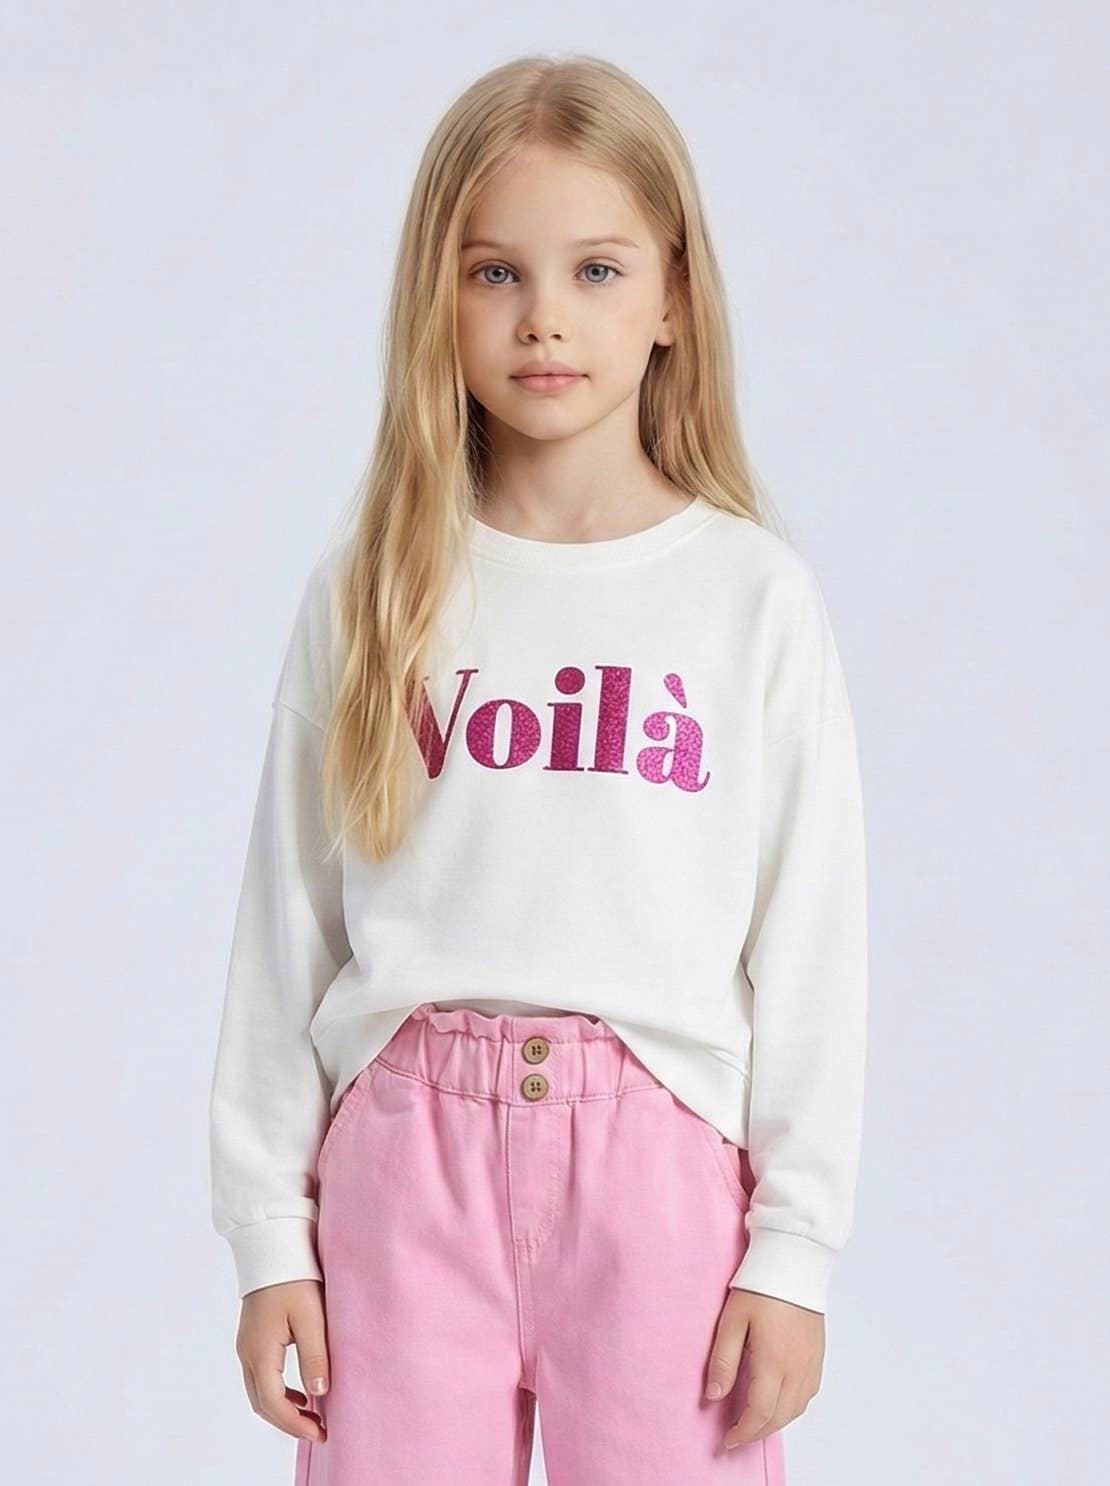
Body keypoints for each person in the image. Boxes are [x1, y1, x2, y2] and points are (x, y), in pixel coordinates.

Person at [208, 52, 869, 1486]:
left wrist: (794, 1250)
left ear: (673, 296)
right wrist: (269, 1235)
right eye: (495, 272)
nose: (544, 317)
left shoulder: (748, 597)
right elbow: (285, 928)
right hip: (403, 1168)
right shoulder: (374, 591)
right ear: (434, 299)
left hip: (660, 1168)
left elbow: (809, 940)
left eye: (595, 270)